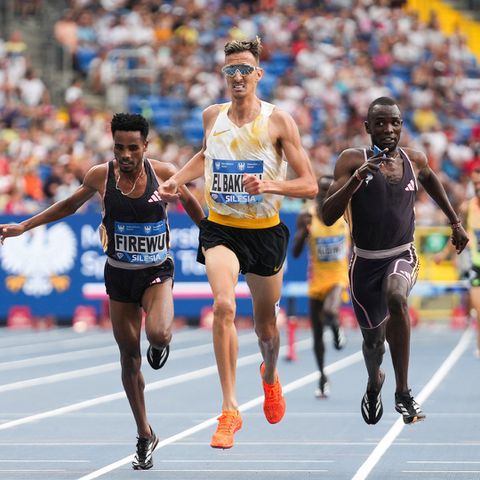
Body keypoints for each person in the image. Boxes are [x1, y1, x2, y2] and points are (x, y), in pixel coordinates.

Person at [0, 113, 205, 469]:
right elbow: (68, 205)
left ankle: (159, 346)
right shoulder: (101, 175)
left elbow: (189, 201)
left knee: (159, 333)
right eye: (119, 147)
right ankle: (144, 433)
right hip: (120, 275)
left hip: (156, 271)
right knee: (129, 358)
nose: (125, 155)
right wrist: (25, 225)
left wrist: (211, 233)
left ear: (146, 145)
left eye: (133, 148)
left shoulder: (164, 171)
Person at [158, 37, 317, 449]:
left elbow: (311, 184)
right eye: (231, 70)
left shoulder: (279, 121)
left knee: (267, 327)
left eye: (245, 69)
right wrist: (179, 177)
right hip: (221, 228)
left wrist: (271, 183)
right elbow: (206, 155)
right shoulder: (213, 116)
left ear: (258, 74)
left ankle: (269, 376)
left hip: (264, 232)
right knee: (224, 306)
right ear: (223, 75)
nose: (238, 76)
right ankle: (229, 409)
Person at [322, 97, 469, 425]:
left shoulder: (414, 159)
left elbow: (431, 178)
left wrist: (454, 222)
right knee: (373, 345)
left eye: (394, 123)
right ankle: (375, 381)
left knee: (397, 296)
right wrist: (357, 178)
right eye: (380, 124)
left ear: (401, 125)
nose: (388, 130)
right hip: (364, 264)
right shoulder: (350, 160)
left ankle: (403, 392)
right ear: (367, 128)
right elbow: (327, 214)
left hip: (401, 253)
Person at [292, 175, 349, 398]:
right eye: (322, 192)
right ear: (315, 194)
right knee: (316, 336)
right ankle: (322, 377)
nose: (326, 196)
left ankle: (336, 329)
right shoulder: (307, 216)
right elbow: (295, 252)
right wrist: (303, 234)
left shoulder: (345, 214)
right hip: (317, 280)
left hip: (338, 276)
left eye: (330, 191)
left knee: (330, 311)